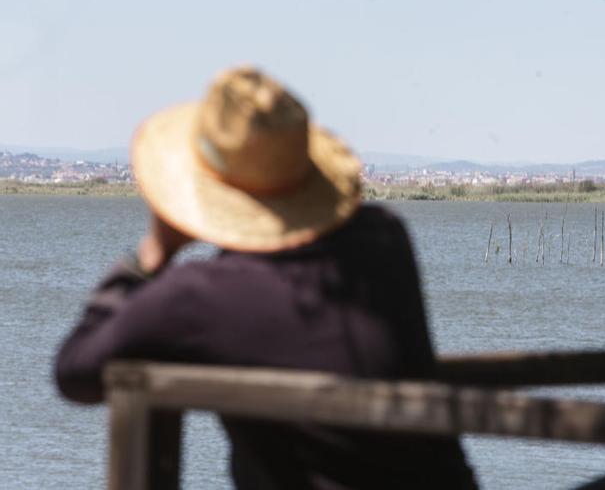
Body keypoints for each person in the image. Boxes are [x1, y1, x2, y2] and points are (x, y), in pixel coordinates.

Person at [54, 66, 478, 489]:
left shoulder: (199, 295)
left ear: (204, 192)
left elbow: (76, 371)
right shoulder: (385, 236)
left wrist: (155, 252)